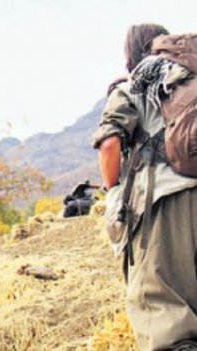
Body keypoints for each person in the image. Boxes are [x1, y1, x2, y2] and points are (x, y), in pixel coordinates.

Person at [93, 24, 197, 350]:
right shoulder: (190, 81)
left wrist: (112, 190)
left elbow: (110, 143)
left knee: (163, 316)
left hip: (164, 206)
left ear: (131, 54)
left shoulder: (134, 86)